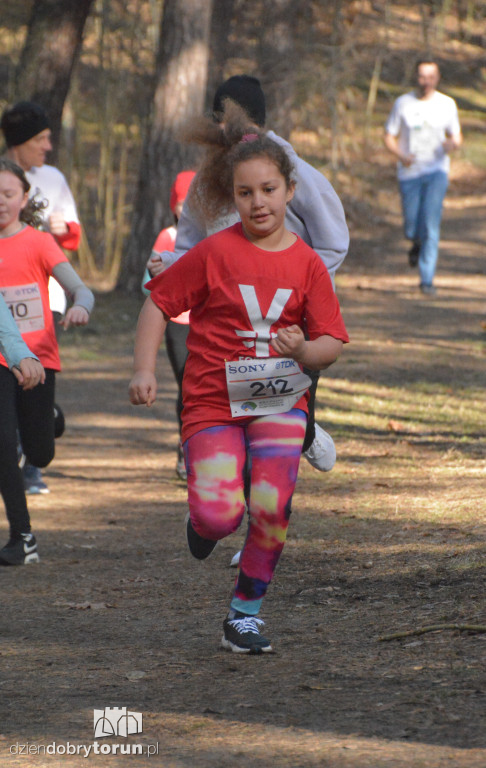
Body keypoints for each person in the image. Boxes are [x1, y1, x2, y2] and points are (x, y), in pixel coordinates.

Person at [129, 107, 349, 653]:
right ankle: (202, 525)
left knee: (272, 505)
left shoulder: (309, 266)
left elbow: (333, 343)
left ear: (290, 191)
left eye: (269, 190)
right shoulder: (213, 253)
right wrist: (144, 369)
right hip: (212, 403)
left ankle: (244, 614)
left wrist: (305, 349)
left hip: (279, 401)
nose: (259, 203)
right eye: (246, 193)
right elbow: (158, 304)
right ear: (232, 198)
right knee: (219, 514)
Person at [156, 75, 349, 475]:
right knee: (236, 416)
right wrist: (171, 269)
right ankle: (221, 492)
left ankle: (306, 431)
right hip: (229, 317)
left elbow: (333, 241)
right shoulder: (208, 180)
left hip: (290, 313)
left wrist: (299, 281)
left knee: (288, 402)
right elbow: (188, 247)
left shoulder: (294, 171)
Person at [0, 159, 94, 565]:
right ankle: (22, 538)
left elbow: (80, 289)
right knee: (3, 445)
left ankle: (49, 417)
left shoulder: (38, 242)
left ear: (23, 198)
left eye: (7, 194)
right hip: (2, 359)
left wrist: (80, 307)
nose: (0, 202)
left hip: (39, 359)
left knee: (39, 453)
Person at [1, 100, 82, 493]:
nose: (47, 147)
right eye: (40, 139)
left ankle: (36, 455)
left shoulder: (53, 178)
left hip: (45, 295)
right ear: (19, 143)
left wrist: (61, 228)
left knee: (32, 387)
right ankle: (19, 469)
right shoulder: (4, 176)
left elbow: (74, 237)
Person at [384, 58, 462, 296]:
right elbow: (388, 136)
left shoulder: (447, 104)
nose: (426, 82)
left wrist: (451, 144)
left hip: (437, 172)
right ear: (416, 77)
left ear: (437, 78)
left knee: (431, 224)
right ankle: (415, 243)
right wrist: (401, 155)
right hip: (410, 173)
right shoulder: (403, 103)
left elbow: (457, 137)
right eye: (422, 76)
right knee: (411, 226)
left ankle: (426, 279)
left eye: (431, 77)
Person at [142, 170, 196, 480]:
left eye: (193, 202)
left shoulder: (211, 236)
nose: (186, 209)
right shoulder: (168, 237)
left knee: (197, 384)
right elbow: (146, 283)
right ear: (173, 204)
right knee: (187, 384)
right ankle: (184, 444)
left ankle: (193, 443)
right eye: (181, 202)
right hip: (177, 321)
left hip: (204, 319)